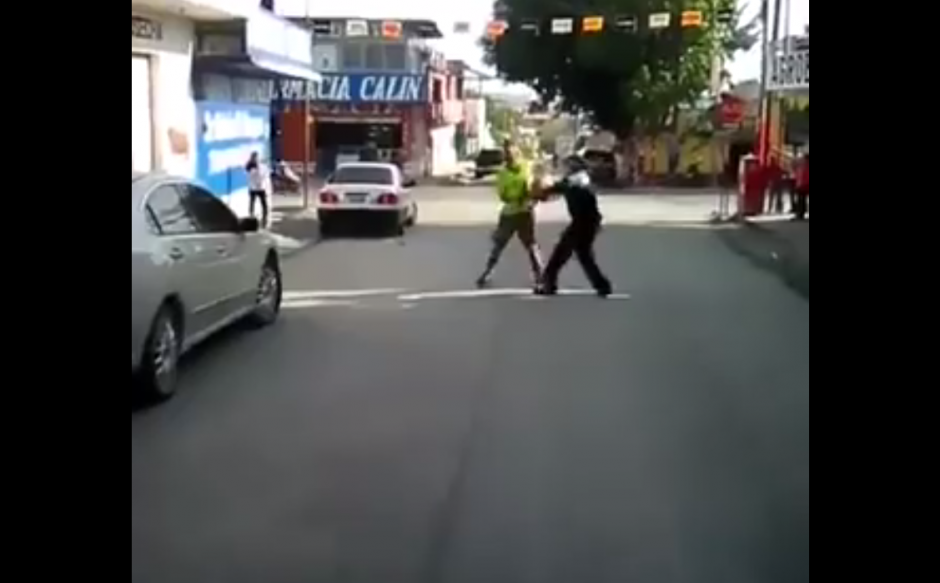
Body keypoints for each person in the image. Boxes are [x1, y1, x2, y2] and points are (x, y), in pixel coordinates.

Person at [532, 155, 612, 297]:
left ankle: (549, 285)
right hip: (588, 222)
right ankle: (602, 286)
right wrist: (542, 193)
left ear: (574, 167)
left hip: (583, 222)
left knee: (560, 254)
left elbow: (558, 187)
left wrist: (541, 190)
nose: (565, 169)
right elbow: (556, 190)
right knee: (584, 256)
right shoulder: (579, 178)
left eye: (567, 166)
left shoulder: (577, 179)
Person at [475, 141, 543, 288]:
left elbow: (537, 184)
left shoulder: (527, 167)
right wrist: (518, 196)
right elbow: (503, 196)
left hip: (525, 212)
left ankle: (540, 275)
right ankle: (487, 272)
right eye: (508, 155)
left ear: (518, 154)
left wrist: (534, 194)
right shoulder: (503, 173)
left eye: (513, 154)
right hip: (510, 213)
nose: (511, 158)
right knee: (499, 245)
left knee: (531, 245)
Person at [246, 152, 270, 227]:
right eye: (255, 158)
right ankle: (253, 217)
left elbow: (265, 175)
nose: (256, 159)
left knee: (262, 204)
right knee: (254, 203)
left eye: (256, 158)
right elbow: (253, 175)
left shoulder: (261, 166)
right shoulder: (250, 166)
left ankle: (264, 219)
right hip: (255, 188)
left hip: (259, 188)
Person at [793, 152, 809, 220]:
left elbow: (801, 176)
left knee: (801, 199)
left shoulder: (803, 166)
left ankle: (800, 214)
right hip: (804, 184)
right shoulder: (803, 166)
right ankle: (800, 213)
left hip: (803, 185)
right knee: (801, 199)